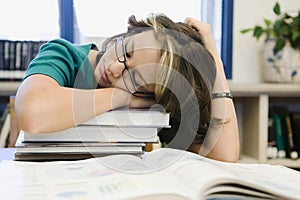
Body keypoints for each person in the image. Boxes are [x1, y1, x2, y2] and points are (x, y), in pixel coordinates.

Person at [15, 14, 239, 162]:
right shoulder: (65, 55)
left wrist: (214, 61)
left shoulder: (153, 99)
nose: (113, 67)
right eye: (127, 50)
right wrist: (121, 96)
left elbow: (224, 156)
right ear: (129, 33)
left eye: (134, 78)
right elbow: (33, 114)